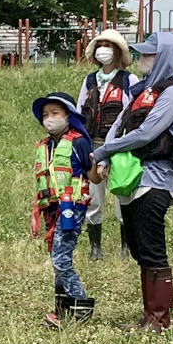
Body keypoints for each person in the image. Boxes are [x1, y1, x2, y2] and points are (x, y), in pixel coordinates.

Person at [94, 32, 173, 331]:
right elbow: (119, 125)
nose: (142, 59)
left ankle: (160, 319)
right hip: (131, 179)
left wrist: (107, 149)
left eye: (149, 54)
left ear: (165, 57)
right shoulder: (141, 89)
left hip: (155, 179)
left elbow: (148, 133)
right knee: (138, 247)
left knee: (152, 247)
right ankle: (148, 315)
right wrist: (107, 154)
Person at [31, 91, 97, 324]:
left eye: (55, 113)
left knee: (61, 258)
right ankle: (62, 309)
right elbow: (42, 180)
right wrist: (35, 213)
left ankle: (80, 305)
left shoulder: (78, 141)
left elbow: (93, 176)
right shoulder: (45, 145)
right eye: (46, 114)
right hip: (50, 208)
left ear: (68, 115)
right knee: (56, 256)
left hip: (71, 207)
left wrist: (100, 167)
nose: (50, 118)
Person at [76, 27, 136, 259]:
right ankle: (95, 247)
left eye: (109, 46)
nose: (104, 50)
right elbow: (81, 111)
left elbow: (133, 113)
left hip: (120, 146)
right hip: (93, 145)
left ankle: (126, 247)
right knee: (93, 196)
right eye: (100, 46)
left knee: (123, 194)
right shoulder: (90, 80)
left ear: (118, 51)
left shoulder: (128, 80)